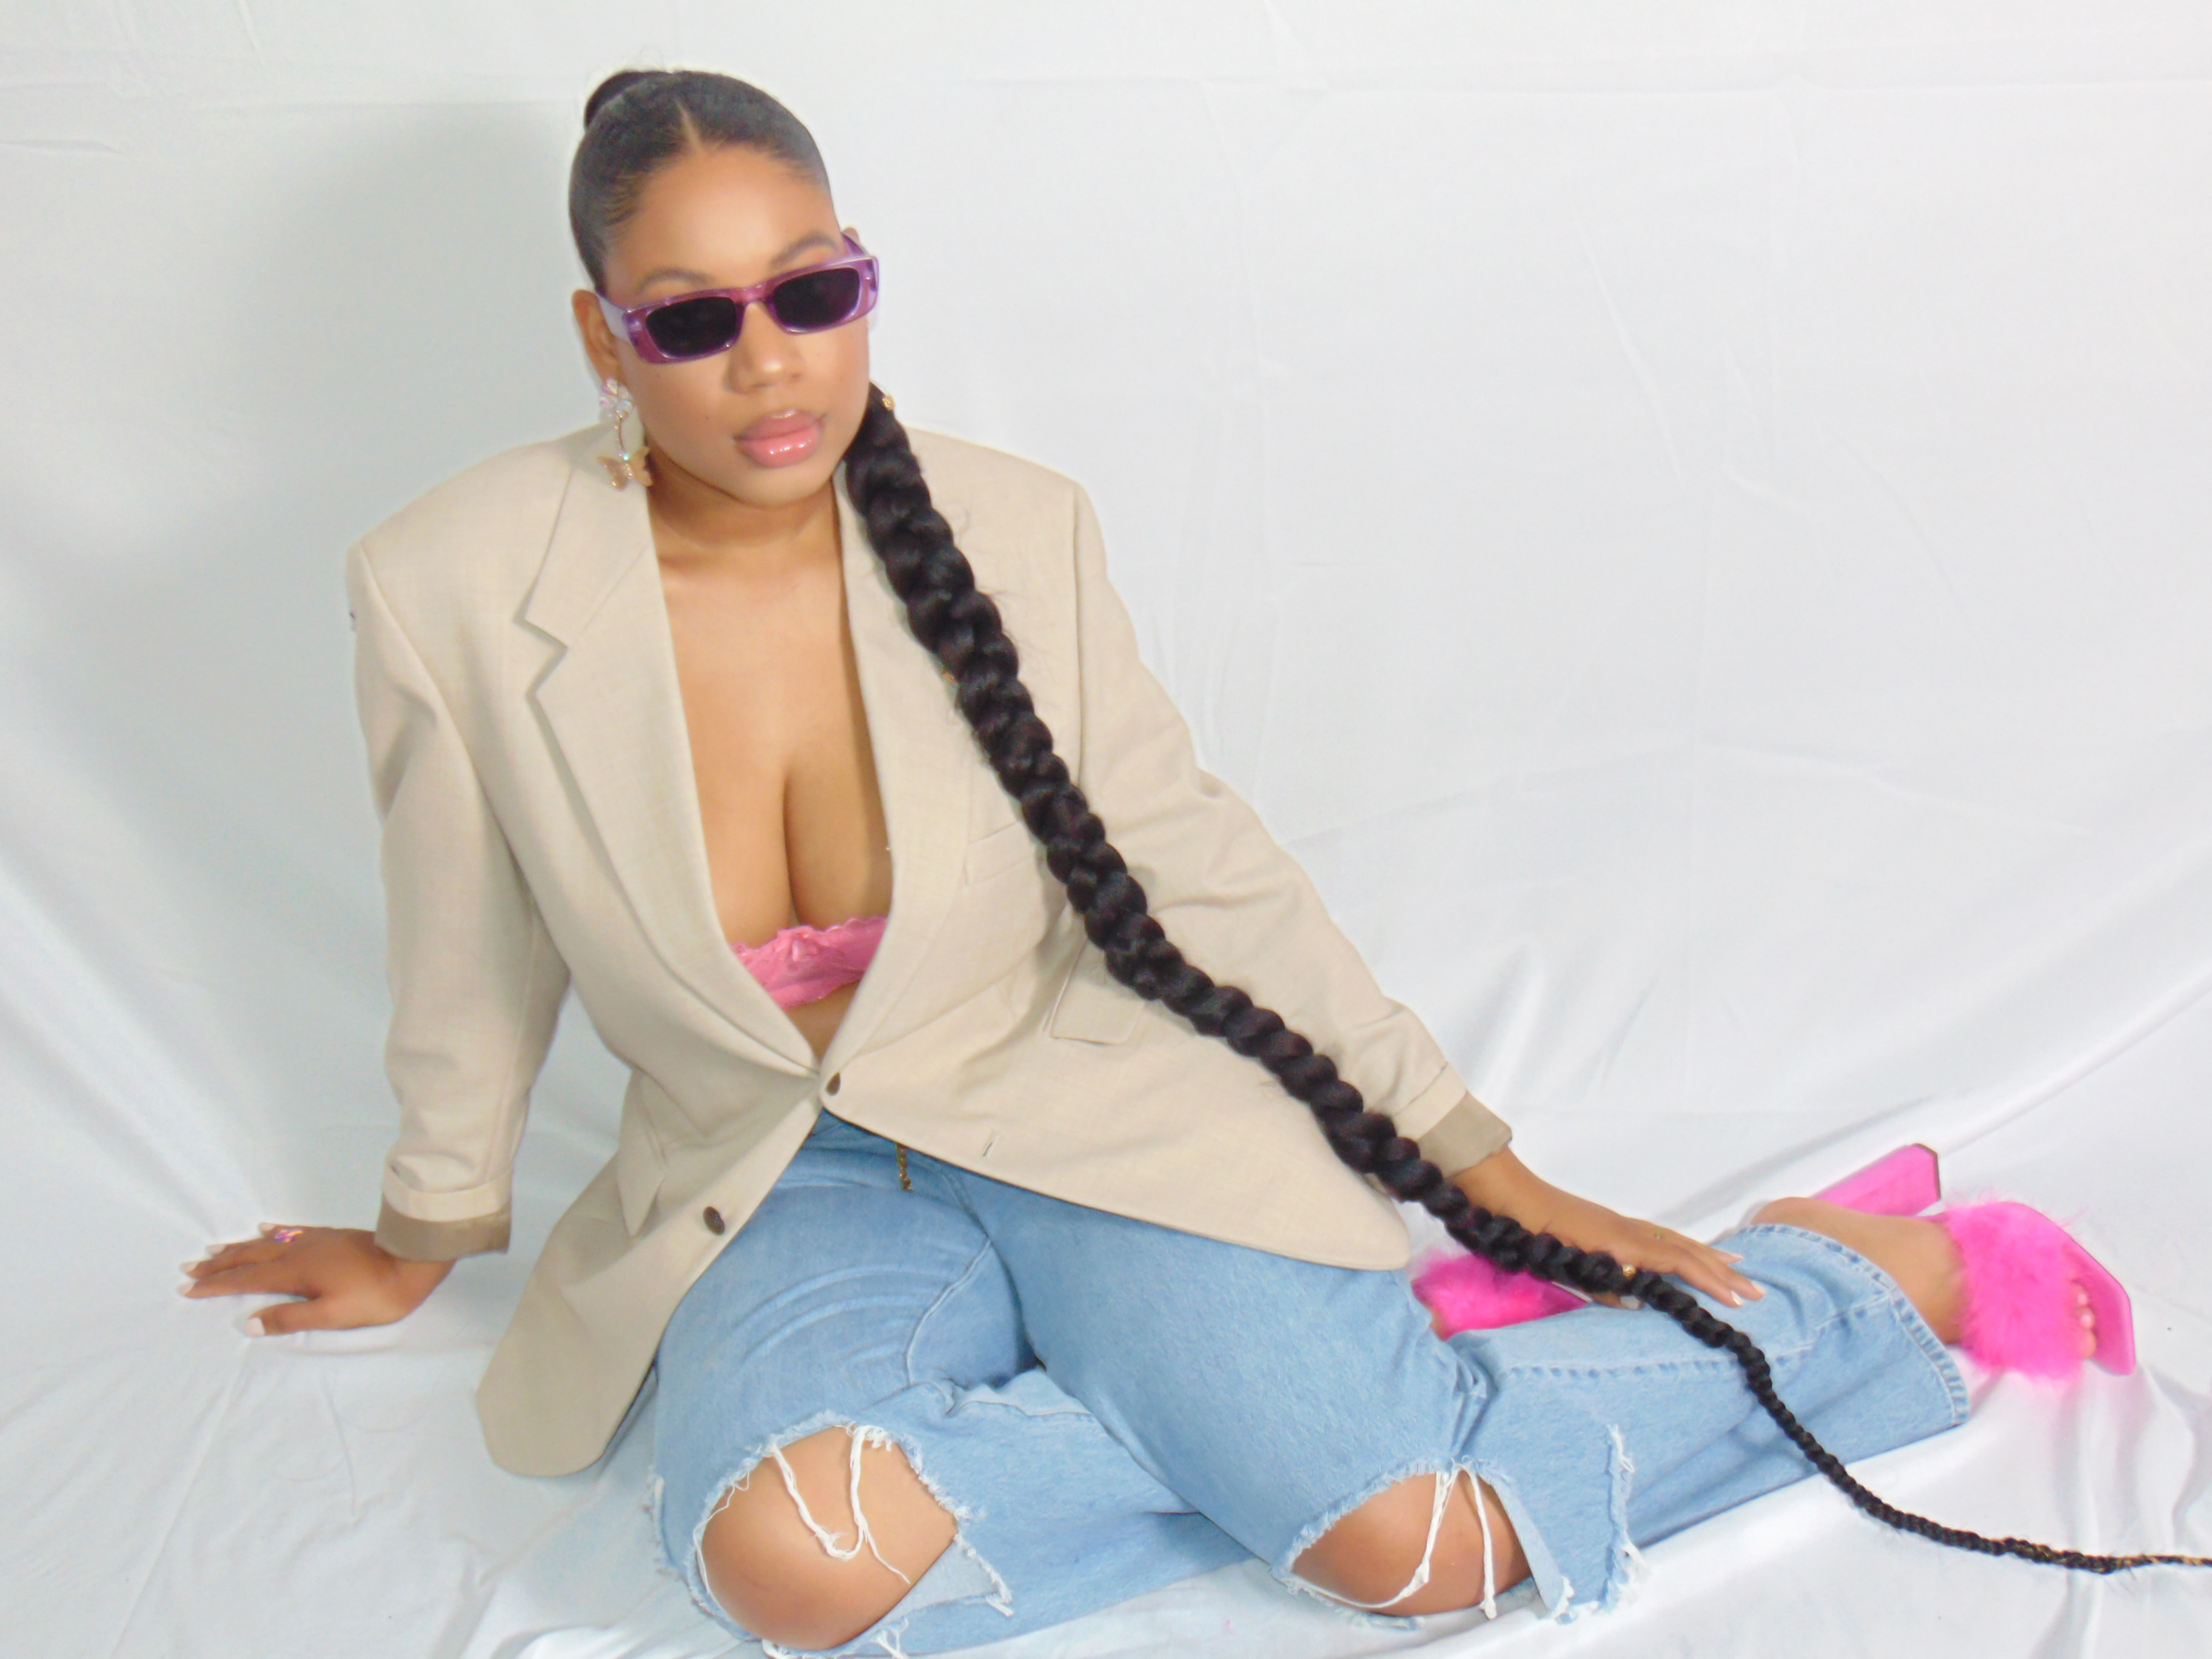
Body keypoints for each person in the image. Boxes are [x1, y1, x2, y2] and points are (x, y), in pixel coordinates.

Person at [178, 69, 2191, 1658]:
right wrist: (425, 1232)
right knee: (787, 1564)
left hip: (1089, 1110)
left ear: (863, 278)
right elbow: (470, 944)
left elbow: (1200, 870)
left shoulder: (1013, 526)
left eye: (814, 292)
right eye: (693, 320)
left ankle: (1858, 1282)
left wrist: (1487, 1171)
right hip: (778, 1182)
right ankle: (1343, 1419)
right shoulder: (449, 586)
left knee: (1419, 1554)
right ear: (602, 340)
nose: (771, 364)